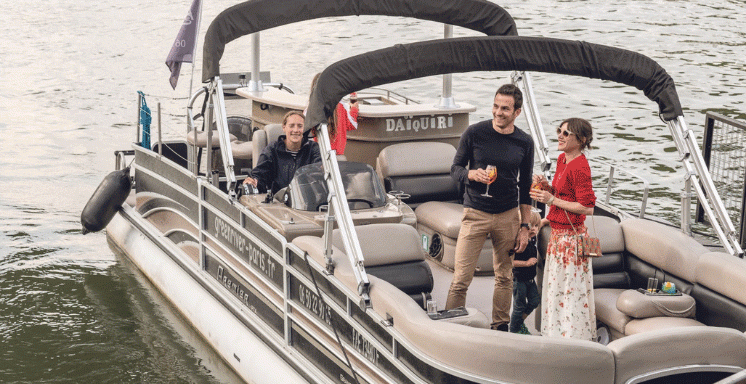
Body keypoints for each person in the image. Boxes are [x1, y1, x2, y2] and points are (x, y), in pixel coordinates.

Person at [445, 84, 535, 331]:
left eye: (505, 108)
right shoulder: (474, 133)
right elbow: (455, 170)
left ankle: (500, 327)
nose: (498, 112)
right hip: (475, 213)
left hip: (508, 216)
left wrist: (525, 226)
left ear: (517, 112)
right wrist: (472, 175)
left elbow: (525, 186)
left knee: (504, 276)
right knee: (461, 278)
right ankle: (451, 325)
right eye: (495, 106)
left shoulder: (524, 142)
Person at [530, 117, 597, 340]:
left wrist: (551, 200)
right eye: (560, 131)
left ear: (582, 140)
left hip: (572, 241)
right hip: (558, 238)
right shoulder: (562, 159)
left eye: (566, 133)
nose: (560, 135)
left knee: (570, 292)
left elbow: (587, 208)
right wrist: (547, 188)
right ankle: (555, 337)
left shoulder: (579, 166)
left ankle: (573, 340)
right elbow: (564, 194)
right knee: (557, 291)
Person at [243, 110, 321, 194]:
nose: (296, 130)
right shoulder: (272, 149)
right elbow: (260, 173)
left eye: (300, 126)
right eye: (291, 126)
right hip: (279, 202)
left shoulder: (314, 148)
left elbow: (319, 171)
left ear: (305, 128)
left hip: (307, 200)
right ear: (284, 127)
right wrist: (253, 182)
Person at [308, 73, 359, 155]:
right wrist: (354, 109)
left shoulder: (310, 108)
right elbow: (352, 125)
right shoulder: (341, 106)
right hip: (338, 155)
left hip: (318, 154)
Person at [510, 211, 542, 334]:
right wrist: (526, 263)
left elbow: (541, 223)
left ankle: (519, 323)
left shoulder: (532, 239)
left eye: (536, 226)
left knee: (535, 301)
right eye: (530, 226)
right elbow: (510, 262)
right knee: (519, 307)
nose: (533, 229)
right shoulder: (518, 242)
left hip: (530, 280)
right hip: (519, 280)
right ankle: (513, 331)